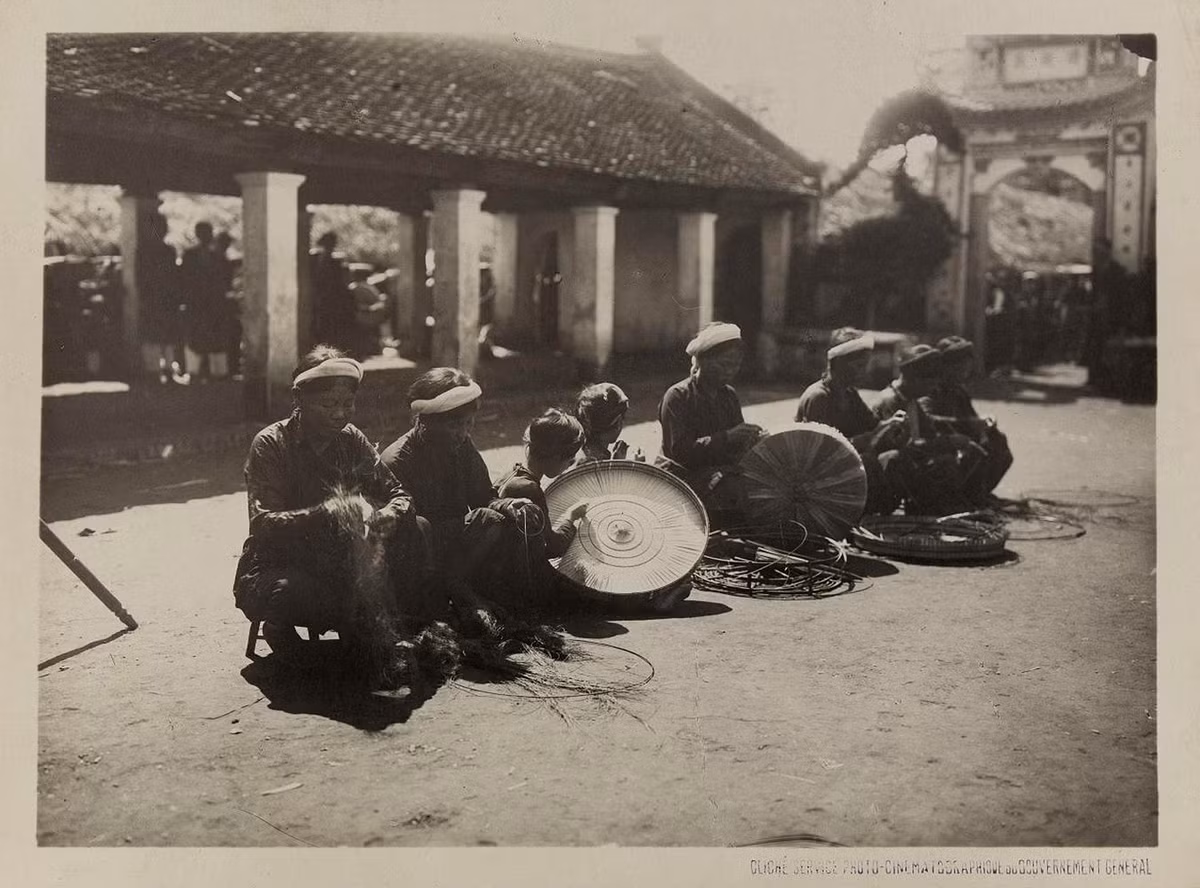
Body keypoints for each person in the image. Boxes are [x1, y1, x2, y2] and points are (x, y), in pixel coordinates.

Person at [232, 346, 428, 688]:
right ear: (299, 399)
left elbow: (399, 493)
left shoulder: (351, 439)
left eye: (347, 404)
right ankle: (281, 628)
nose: (340, 414)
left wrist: (389, 514)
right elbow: (263, 524)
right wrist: (326, 512)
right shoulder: (271, 444)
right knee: (290, 595)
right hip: (281, 562)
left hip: (338, 561)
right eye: (328, 405)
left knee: (417, 527)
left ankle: (359, 627)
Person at [379, 368, 547, 631]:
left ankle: (489, 593)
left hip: (461, 545)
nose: (464, 433)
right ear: (426, 422)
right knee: (485, 521)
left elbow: (484, 497)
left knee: (518, 516)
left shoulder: (461, 446)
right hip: (421, 554)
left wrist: (508, 504)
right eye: (455, 425)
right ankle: (455, 589)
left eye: (469, 424)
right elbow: (407, 534)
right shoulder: (397, 461)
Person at [500, 408, 692, 615]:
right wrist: (570, 518)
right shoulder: (529, 489)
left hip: (511, 573)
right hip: (530, 583)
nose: (569, 465)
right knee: (594, 586)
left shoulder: (512, 475)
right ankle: (650, 602)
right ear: (554, 457)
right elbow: (554, 547)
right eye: (569, 459)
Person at [794, 327, 911, 515]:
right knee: (869, 462)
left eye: (865, 365)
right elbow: (823, 452)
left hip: (845, 465)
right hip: (817, 475)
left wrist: (891, 426)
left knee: (896, 457)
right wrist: (874, 435)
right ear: (839, 363)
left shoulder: (850, 394)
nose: (864, 371)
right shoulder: (819, 397)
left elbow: (872, 425)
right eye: (859, 366)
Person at [657, 322, 766, 524]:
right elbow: (680, 452)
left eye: (736, 365)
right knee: (734, 492)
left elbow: (736, 448)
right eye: (724, 364)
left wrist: (750, 439)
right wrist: (727, 437)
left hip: (717, 473)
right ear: (703, 360)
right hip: (681, 477)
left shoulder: (728, 396)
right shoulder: (678, 397)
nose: (731, 371)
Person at [919, 336, 1013, 505]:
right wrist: (968, 423)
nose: (965, 371)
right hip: (936, 442)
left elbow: (971, 418)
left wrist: (985, 423)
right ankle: (960, 498)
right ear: (945, 366)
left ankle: (978, 493)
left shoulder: (959, 391)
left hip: (958, 439)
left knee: (997, 440)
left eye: (966, 366)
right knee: (969, 450)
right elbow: (927, 419)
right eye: (959, 366)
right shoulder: (931, 389)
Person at [136, 213, 184, 384]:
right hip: (152, 298)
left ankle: (169, 369)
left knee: (167, 336)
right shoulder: (143, 252)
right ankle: (153, 370)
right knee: (153, 336)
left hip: (167, 299)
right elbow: (140, 277)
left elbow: (174, 277)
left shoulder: (168, 251)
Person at [180, 221, 228, 381]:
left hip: (214, 303)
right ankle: (193, 371)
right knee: (196, 338)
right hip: (196, 303)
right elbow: (184, 279)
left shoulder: (217, 256)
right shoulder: (190, 255)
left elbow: (224, 279)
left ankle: (218, 372)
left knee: (216, 337)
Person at [573, 382, 644, 464]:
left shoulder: (578, 453)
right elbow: (604, 472)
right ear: (617, 424)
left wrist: (615, 461)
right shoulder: (595, 461)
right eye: (623, 418)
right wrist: (635, 466)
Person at [312, 232, 355, 353]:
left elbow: (342, 281)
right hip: (323, 297)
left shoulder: (335, 261)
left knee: (331, 325)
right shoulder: (317, 259)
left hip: (333, 298)